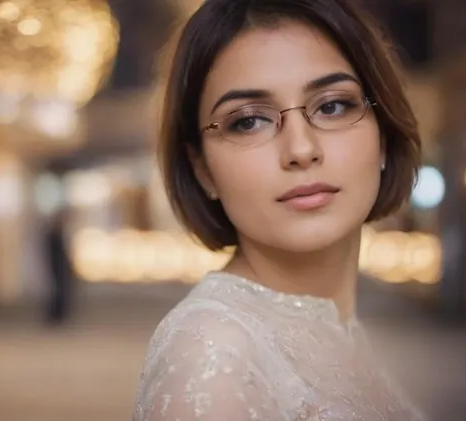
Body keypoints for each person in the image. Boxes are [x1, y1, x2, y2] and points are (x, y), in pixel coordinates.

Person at [133, 0, 424, 420]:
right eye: (249, 121)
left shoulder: (341, 328)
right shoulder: (213, 355)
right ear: (203, 169)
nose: (301, 150)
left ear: (383, 136)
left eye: (332, 106)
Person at [43, 209, 74, 325]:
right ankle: (55, 315)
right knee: (57, 291)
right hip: (56, 267)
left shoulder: (59, 233)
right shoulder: (53, 234)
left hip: (60, 267)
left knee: (61, 291)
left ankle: (59, 315)